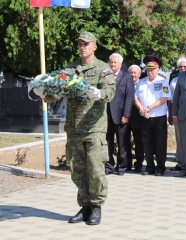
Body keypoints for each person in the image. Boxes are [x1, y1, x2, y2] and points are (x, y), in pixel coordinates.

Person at [33, 32, 115, 225]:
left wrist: (97, 93)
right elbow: (57, 92)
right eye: (79, 44)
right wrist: (43, 92)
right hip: (74, 128)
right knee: (77, 171)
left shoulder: (103, 69)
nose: (82, 47)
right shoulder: (70, 69)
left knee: (95, 170)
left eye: (86, 44)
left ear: (94, 46)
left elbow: (110, 92)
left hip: (95, 128)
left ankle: (96, 206)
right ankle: (85, 206)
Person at [134, 56, 171, 176]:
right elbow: (135, 98)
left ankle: (160, 167)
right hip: (145, 117)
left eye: (153, 69)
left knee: (160, 143)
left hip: (159, 116)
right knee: (147, 142)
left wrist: (149, 108)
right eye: (148, 69)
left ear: (158, 69)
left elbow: (164, 98)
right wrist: (142, 109)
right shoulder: (141, 82)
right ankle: (150, 167)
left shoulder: (163, 82)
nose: (150, 72)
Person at [105, 53, 134, 176]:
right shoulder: (105, 76)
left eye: (115, 62)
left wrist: (126, 115)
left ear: (120, 64)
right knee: (107, 142)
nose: (113, 64)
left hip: (121, 115)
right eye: (111, 62)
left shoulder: (126, 77)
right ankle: (109, 165)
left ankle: (122, 166)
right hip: (106, 115)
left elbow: (129, 97)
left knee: (122, 142)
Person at [168, 57, 186, 172]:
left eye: (185, 66)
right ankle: (181, 162)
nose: (182, 68)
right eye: (180, 67)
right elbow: (171, 99)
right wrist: (171, 114)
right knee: (180, 139)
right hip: (179, 114)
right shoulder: (174, 80)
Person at [126, 65, 144, 172]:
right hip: (125, 116)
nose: (133, 75)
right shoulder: (124, 83)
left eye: (135, 72)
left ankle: (139, 164)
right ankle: (127, 164)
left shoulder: (143, 84)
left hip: (138, 117)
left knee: (139, 142)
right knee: (125, 142)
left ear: (139, 74)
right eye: (131, 72)